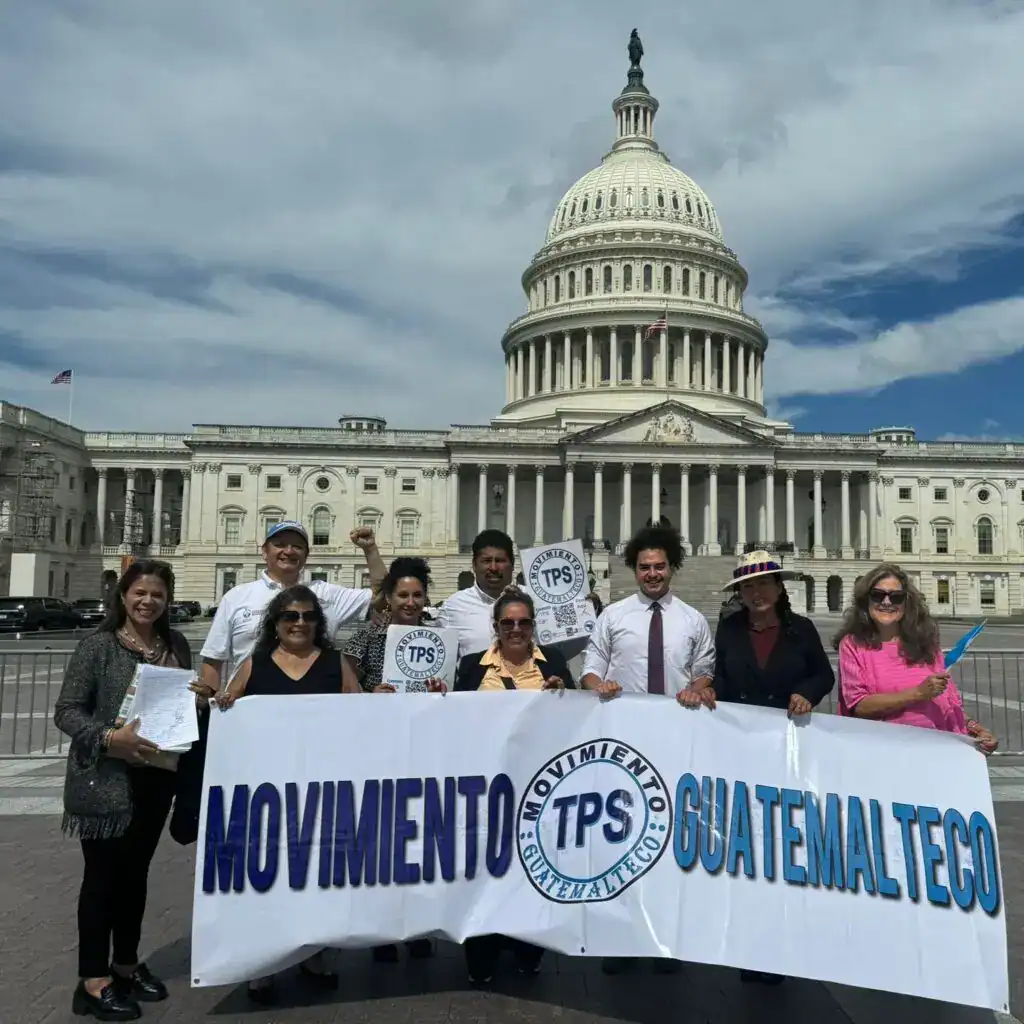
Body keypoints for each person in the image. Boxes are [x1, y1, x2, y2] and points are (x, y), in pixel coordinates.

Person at [683, 552, 835, 986]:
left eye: (764, 584)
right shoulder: (730, 630)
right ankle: (749, 945)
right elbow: (725, 680)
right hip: (743, 751)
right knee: (747, 849)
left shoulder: (801, 629)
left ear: (779, 587)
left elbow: (823, 676)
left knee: (783, 848)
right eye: (749, 587)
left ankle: (781, 945)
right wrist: (709, 689)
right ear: (741, 594)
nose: (757, 593)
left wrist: (806, 693)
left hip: (787, 749)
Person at [54, 560, 192, 1022]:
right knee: (102, 880)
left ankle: (126, 965)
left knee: (136, 876)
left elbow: (179, 701)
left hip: (156, 776)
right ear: (123, 597)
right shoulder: (98, 647)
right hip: (107, 779)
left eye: (157, 594)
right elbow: (68, 711)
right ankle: (92, 980)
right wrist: (112, 739)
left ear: (167, 601)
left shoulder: (174, 644)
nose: (148, 601)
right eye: (140, 593)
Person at [580, 524, 713, 976]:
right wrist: (601, 686)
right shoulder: (613, 616)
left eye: (658, 567)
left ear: (671, 567)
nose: (651, 574)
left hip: (674, 742)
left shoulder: (692, 620)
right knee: (618, 841)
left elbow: (704, 673)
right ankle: (617, 939)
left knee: (668, 841)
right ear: (633, 569)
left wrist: (698, 689)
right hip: (623, 743)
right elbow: (591, 670)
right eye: (644, 567)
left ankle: (664, 939)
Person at [216, 585, 350, 1002]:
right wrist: (221, 705)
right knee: (266, 877)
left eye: (308, 617)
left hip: (322, 791)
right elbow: (229, 709)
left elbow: (360, 715)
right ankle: (262, 963)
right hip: (267, 794)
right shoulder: (254, 664)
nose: (299, 624)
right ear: (275, 623)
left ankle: (311, 953)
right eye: (291, 616)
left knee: (315, 877)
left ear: (318, 623)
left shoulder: (335, 662)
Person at [454, 586, 574, 984]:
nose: (516, 629)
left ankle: (528, 948)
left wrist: (564, 694)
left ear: (533, 625)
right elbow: (453, 718)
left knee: (533, 871)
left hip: (538, 786)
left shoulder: (553, 662)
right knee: (483, 870)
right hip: (485, 786)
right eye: (508, 622)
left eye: (524, 622)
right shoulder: (473, 666)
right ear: (496, 626)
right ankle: (481, 949)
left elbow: (576, 716)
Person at [340, 557, 445, 963]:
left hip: (422, 749)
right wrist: (370, 697)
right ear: (388, 598)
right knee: (382, 841)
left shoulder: (437, 636)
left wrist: (440, 690)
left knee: (419, 838)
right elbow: (346, 688)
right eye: (403, 594)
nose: (411, 601)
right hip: (378, 751)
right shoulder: (367, 636)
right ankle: (383, 930)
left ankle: (417, 926)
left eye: (418, 594)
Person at [196, 521, 385, 699]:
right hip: (252, 708)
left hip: (316, 708)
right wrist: (211, 708)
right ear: (264, 552)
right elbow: (214, 659)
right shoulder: (236, 596)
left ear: (306, 555)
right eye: (280, 544)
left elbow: (383, 596)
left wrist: (370, 550)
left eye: (297, 546)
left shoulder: (327, 593)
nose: (289, 551)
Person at [834, 564, 998, 753]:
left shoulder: (925, 642)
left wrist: (975, 729)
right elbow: (859, 706)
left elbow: (947, 701)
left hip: (937, 750)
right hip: (885, 752)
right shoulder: (853, 644)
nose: (886, 602)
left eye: (896, 597)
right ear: (866, 600)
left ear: (906, 602)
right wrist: (918, 693)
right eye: (878, 595)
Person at [437, 529, 515, 659]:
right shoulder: (453, 607)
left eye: (500, 560)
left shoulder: (534, 600)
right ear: (474, 565)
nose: (494, 568)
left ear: (512, 564)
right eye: (486, 561)